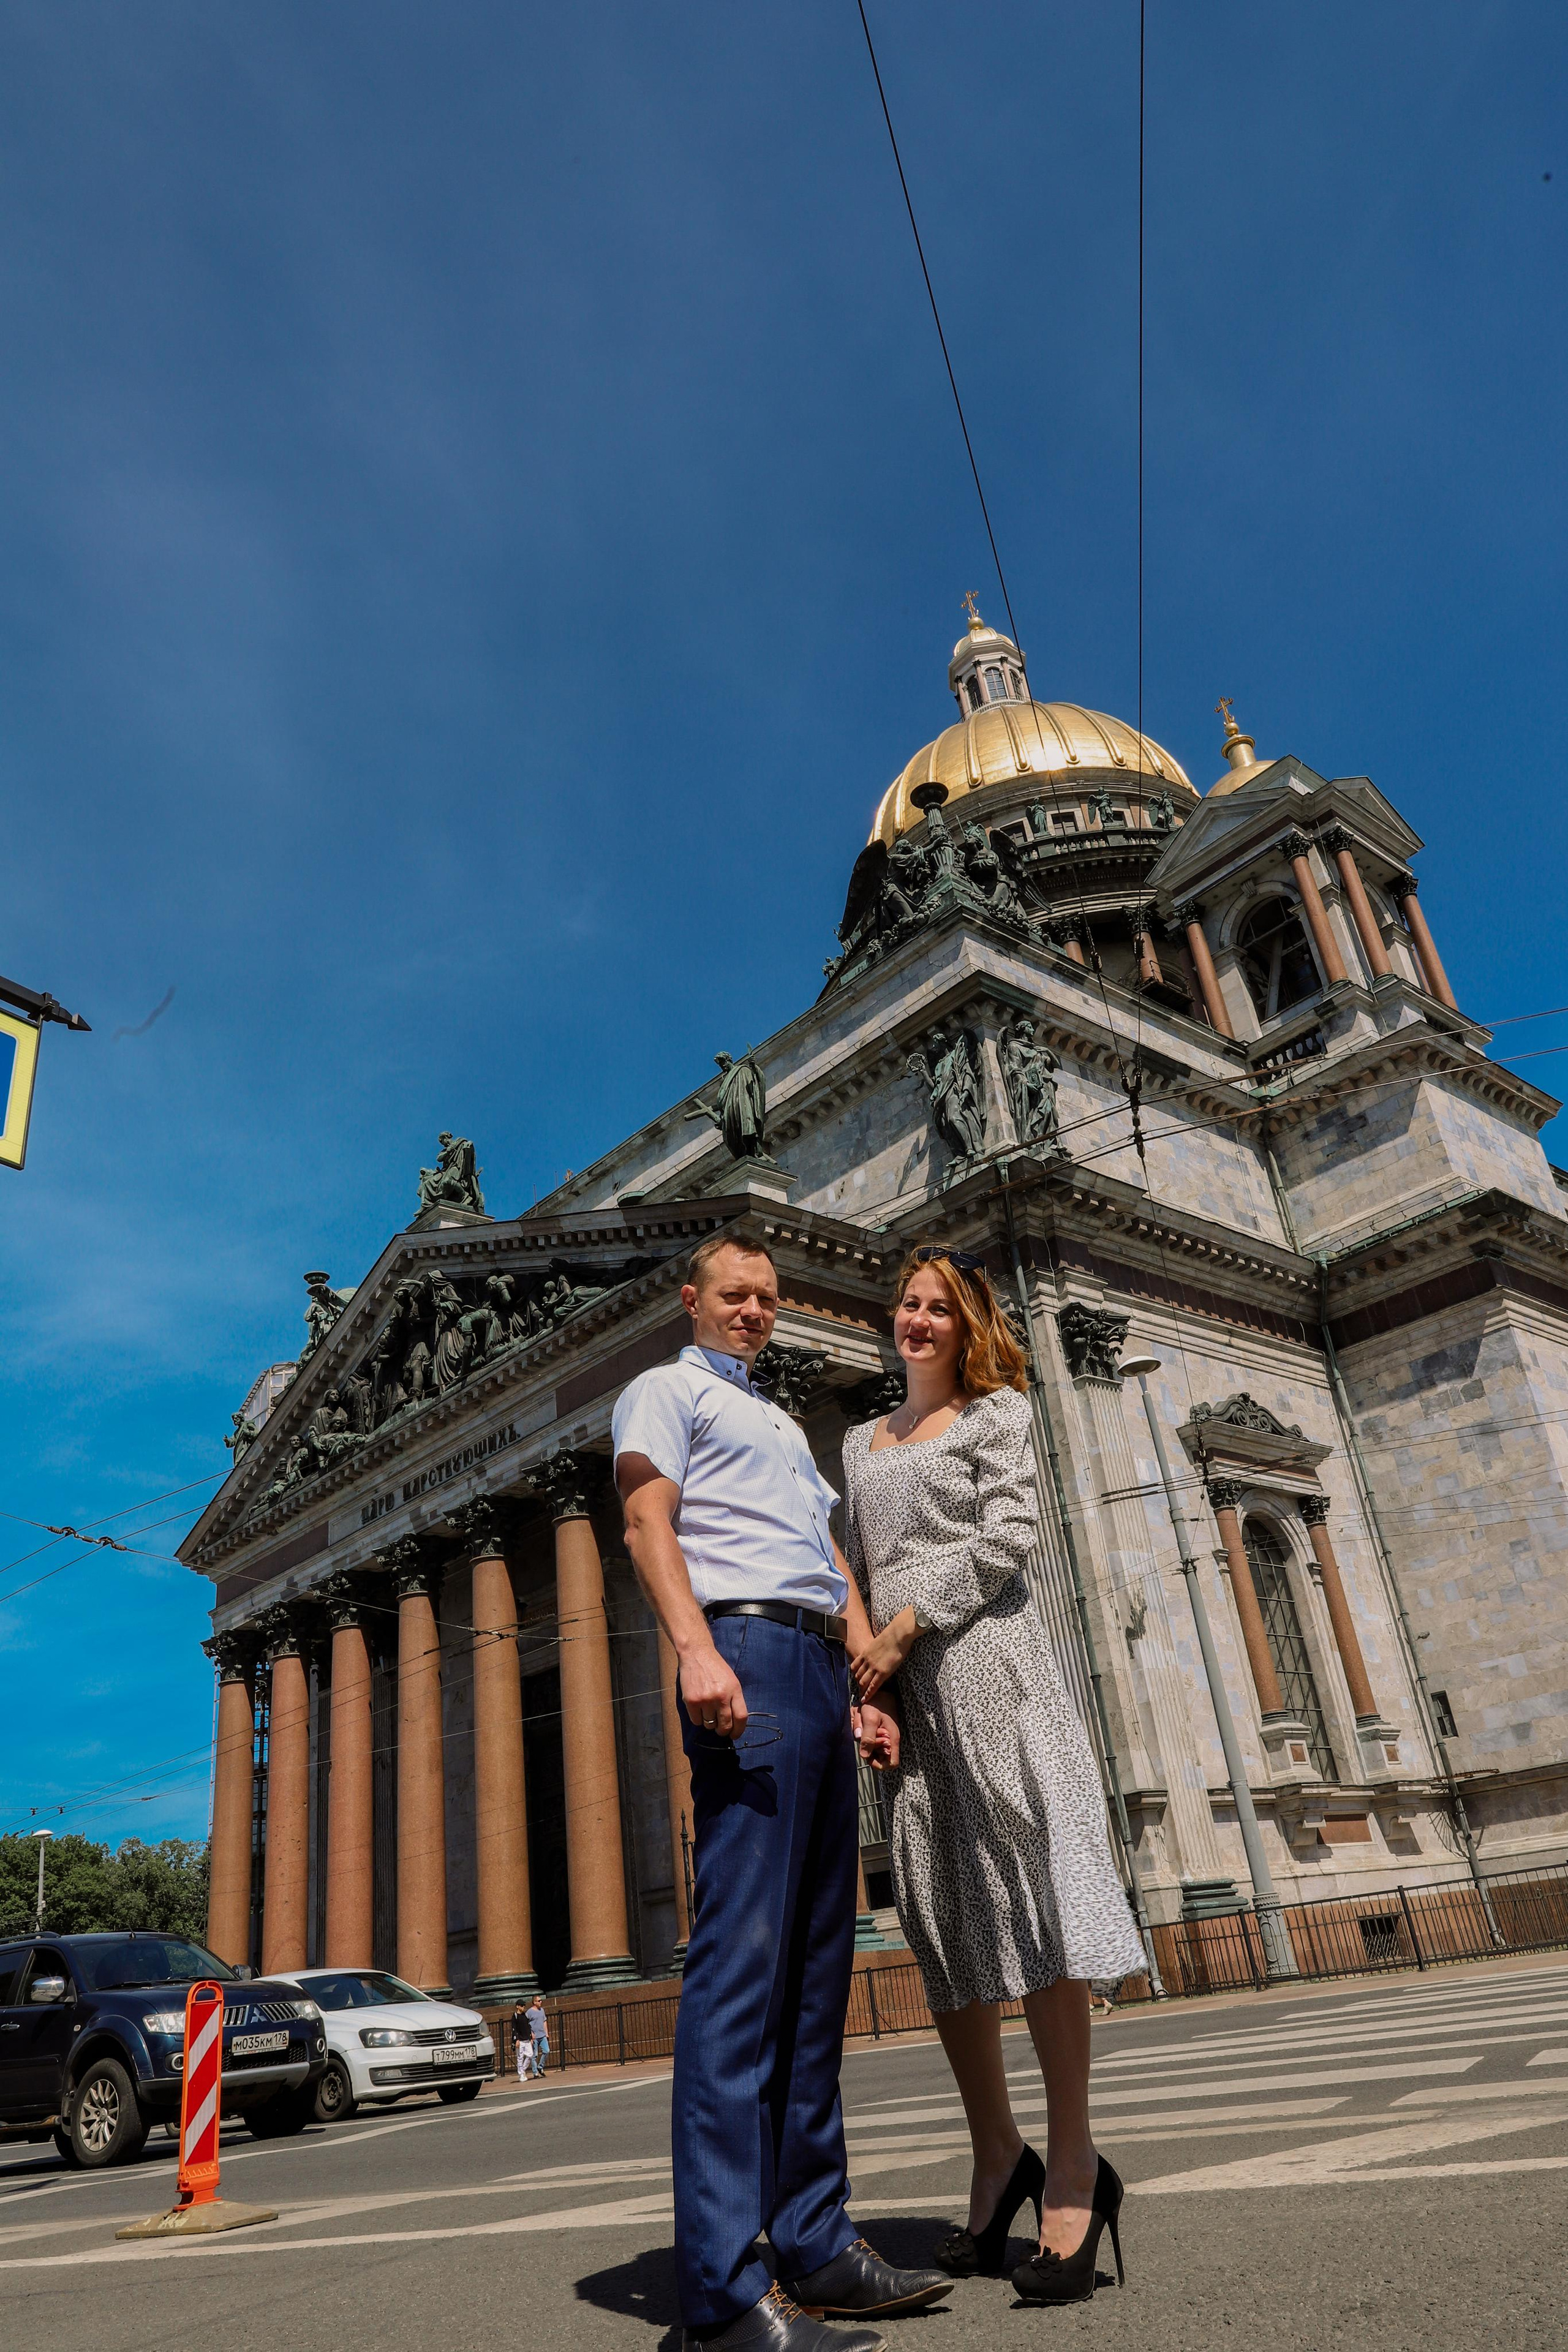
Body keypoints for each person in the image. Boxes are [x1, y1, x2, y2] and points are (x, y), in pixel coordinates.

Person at [615, 1235, 951, 2352]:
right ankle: (717, 2296)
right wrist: (694, 1648)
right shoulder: (664, 1391)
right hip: (745, 1657)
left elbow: (829, 1559)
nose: (754, 1311)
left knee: (817, 1973)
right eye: (734, 1295)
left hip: (812, 1666)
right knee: (742, 1975)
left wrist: (862, 1673)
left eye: (766, 1297)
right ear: (693, 1301)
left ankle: (812, 2242)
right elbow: (646, 1523)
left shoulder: (785, 1432)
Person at [843, 1246, 1147, 2307]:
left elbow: (1011, 1535)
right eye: (909, 1304)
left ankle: (1072, 2167)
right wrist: (872, 1680)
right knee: (945, 1923)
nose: (918, 1321)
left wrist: (906, 1627)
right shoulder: (858, 1439)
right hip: (911, 1700)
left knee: (1035, 1909)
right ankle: (995, 2155)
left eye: (940, 1308)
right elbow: (858, 1567)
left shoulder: (999, 1412)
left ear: (969, 1325)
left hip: (992, 1672)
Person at [526, 1997, 549, 2078]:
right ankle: (535, 2073)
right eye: (539, 2001)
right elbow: (526, 2024)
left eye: (541, 2000)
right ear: (534, 2002)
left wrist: (547, 2033)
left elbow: (544, 2021)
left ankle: (540, 2067)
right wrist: (531, 2034)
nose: (541, 2002)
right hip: (535, 2037)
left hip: (542, 2035)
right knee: (534, 2055)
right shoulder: (529, 2012)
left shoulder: (542, 2010)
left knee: (546, 2051)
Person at [512, 2000, 535, 2084]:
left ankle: (523, 2070)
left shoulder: (526, 2015)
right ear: (517, 2006)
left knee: (530, 2055)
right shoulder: (515, 2016)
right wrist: (516, 2040)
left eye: (524, 2006)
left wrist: (531, 2037)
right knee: (520, 2058)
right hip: (520, 2040)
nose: (523, 2007)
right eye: (521, 2006)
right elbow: (514, 2029)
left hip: (527, 2039)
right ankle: (521, 2074)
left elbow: (528, 2027)